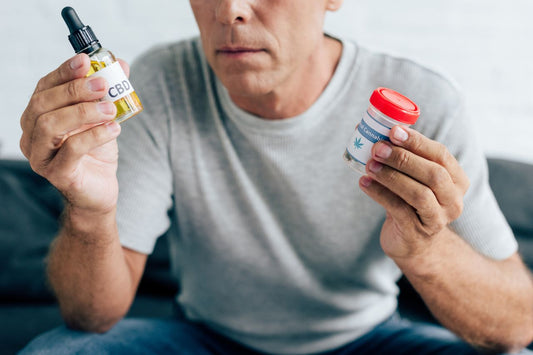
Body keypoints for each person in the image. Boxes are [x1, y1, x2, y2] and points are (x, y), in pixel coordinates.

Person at [18, 1, 533, 354]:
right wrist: (90, 212)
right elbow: (92, 317)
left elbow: (517, 322)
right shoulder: (157, 84)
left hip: (367, 338)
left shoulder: (419, 101)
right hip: (206, 338)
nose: (229, 10)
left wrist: (426, 251)